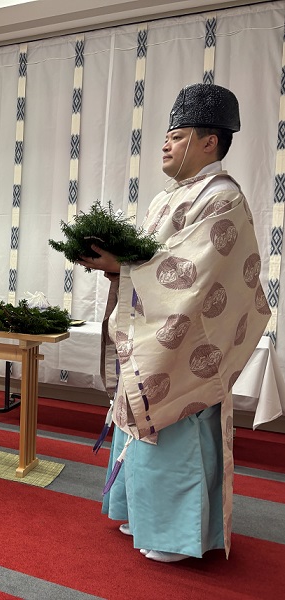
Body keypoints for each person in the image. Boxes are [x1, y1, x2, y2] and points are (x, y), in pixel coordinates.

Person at [79, 83, 270, 562]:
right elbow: (156, 257)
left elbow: (198, 274)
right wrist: (115, 258)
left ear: (211, 142)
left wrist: (122, 266)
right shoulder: (170, 198)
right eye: (167, 136)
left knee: (176, 432)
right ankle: (140, 515)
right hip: (154, 333)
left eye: (178, 135)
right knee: (138, 425)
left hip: (187, 346)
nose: (165, 144)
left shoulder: (222, 198)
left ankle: (175, 538)